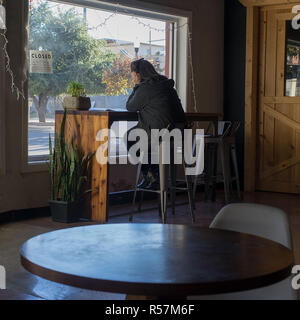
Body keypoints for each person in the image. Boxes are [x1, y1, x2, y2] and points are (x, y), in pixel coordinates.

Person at [124, 58, 187, 189]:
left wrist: (136, 86)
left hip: (158, 135)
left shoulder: (144, 89)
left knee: (129, 137)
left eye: (133, 74)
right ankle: (155, 176)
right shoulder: (168, 87)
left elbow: (130, 106)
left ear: (137, 74)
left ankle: (151, 176)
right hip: (177, 135)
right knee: (147, 142)